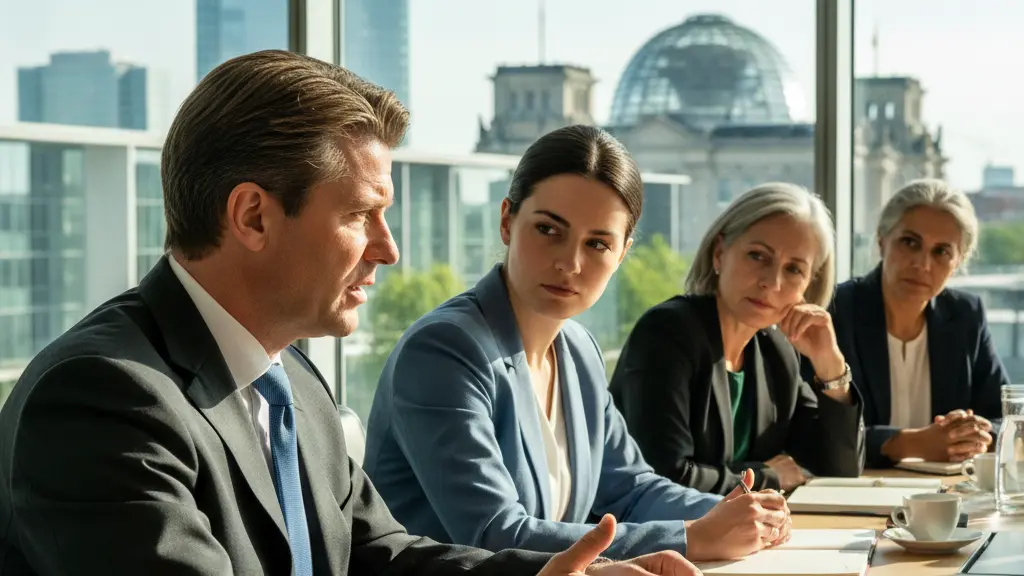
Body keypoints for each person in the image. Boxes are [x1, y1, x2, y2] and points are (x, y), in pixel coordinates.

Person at [0, 50, 701, 576]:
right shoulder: (104, 398)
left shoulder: (292, 381)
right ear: (252, 215)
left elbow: (378, 554)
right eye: (363, 215)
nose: (389, 250)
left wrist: (550, 572)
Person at [364, 125, 793, 564]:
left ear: (622, 253)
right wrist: (692, 536)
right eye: (549, 230)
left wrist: (738, 513)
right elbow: (494, 534)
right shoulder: (444, 350)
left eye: (597, 244)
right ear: (507, 221)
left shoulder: (578, 349)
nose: (569, 263)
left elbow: (630, 489)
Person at [609, 183, 866, 496]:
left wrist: (830, 367)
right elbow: (664, 476)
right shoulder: (667, 333)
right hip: (648, 539)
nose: (771, 282)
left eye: (794, 269)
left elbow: (839, 469)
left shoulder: (776, 350)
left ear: (808, 286)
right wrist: (765, 476)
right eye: (758, 256)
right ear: (720, 254)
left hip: (734, 537)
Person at [822, 179, 1007, 468]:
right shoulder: (835, 311)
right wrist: (912, 442)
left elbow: (1002, 418)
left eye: (941, 252)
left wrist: (975, 435)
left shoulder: (965, 315)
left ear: (957, 262)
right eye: (910, 243)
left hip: (943, 494)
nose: (922, 264)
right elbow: (814, 432)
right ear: (882, 240)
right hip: (855, 488)